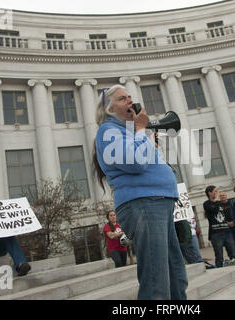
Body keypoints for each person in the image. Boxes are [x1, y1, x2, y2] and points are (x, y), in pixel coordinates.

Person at [94, 85, 187, 300]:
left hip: (157, 202)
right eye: (121, 99)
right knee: (157, 281)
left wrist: (142, 134)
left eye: (129, 97)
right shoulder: (108, 131)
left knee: (175, 275)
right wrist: (141, 131)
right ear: (108, 108)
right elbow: (135, 163)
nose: (129, 100)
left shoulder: (129, 132)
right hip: (143, 204)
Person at [203, 186, 235, 267]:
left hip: (227, 231)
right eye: (215, 191)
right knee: (219, 256)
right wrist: (216, 200)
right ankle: (220, 269)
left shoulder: (220, 202)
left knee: (233, 253)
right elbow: (214, 210)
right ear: (210, 193)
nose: (217, 193)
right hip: (216, 234)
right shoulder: (207, 204)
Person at [219, 192, 235, 258]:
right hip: (227, 227)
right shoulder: (219, 205)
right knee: (233, 244)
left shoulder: (232, 203)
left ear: (226, 196)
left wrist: (234, 222)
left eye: (224, 195)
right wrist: (227, 223)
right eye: (221, 196)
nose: (223, 197)